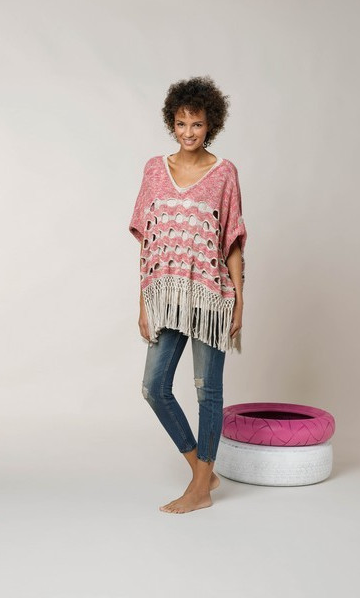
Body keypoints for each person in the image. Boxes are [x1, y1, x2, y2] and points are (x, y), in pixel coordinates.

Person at [128, 75, 247, 514]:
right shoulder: (154, 170)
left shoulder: (224, 174)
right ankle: (203, 470)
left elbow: (232, 240)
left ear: (210, 124)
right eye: (181, 124)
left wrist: (239, 301)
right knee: (154, 387)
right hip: (167, 295)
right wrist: (144, 301)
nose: (188, 132)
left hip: (211, 297)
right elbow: (147, 242)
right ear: (171, 124)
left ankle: (200, 489)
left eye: (197, 124)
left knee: (206, 391)